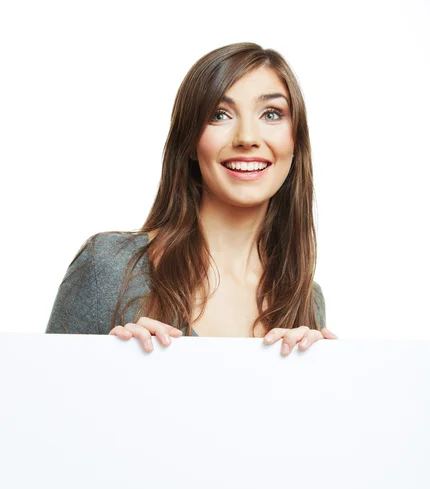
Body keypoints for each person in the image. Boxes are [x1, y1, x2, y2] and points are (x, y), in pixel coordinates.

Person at [46, 41, 338, 357]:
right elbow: (36, 399)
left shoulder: (306, 299)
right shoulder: (108, 267)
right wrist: (115, 369)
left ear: (296, 140)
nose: (247, 138)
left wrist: (328, 380)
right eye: (220, 115)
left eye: (271, 114)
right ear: (189, 141)